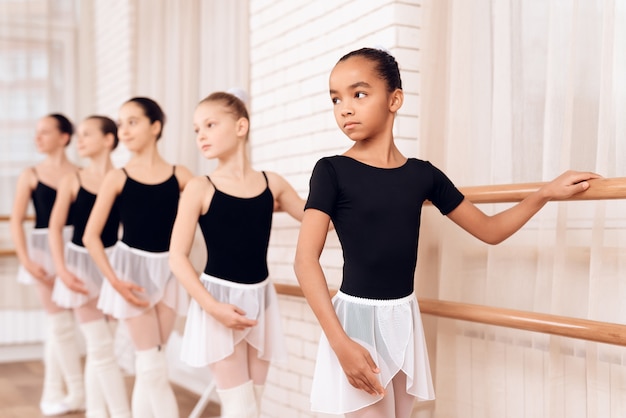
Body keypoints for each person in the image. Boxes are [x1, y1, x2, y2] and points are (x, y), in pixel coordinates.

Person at [293, 47, 600, 418]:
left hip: (403, 318)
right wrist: (339, 343)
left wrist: (545, 194)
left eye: (359, 94)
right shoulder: (331, 171)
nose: (345, 108)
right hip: (353, 322)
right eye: (336, 98)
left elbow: (489, 230)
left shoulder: (423, 175)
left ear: (395, 99)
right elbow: (305, 261)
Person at [169, 90, 305, 418]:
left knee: (253, 404)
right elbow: (177, 257)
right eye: (197, 129)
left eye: (210, 124)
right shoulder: (200, 187)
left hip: (261, 298)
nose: (201, 134)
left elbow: (318, 221)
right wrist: (213, 308)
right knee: (240, 407)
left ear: (241, 126)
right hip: (217, 300)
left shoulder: (273, 183)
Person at [83, 97, 193, 418]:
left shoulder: (180, 175)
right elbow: (91, 236)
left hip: (170, 269)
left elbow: (215, 205)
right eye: (121, 123)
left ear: (155, 126)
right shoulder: (117, 177)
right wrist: (115, 281)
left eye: (133, 122)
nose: (124, 130)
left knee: (153, 364)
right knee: (151, 365)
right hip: (131, 273)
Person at [48, 115, 131, 418]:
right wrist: (62, 270)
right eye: (78, 134)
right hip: (80, 265)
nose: (79, 140)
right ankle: (121, 413)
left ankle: (96, 411)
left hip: (112, 265)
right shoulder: (73, 180)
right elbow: (55, 227)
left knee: (104, 346)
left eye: (87, 134)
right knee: (100, 346)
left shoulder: (123, 178)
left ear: (109, 140)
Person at [9, 113, 85, 415]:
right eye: (36, 133)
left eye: (44, 132)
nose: (37, 138)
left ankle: (51, 393)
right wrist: (26, 260)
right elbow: (15, 222)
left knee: (64, 328)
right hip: (42, 250)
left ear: (64, 137)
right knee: (60, 325)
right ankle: (77, 391)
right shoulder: (30, 174)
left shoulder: (80, 174)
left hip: (73, 250)